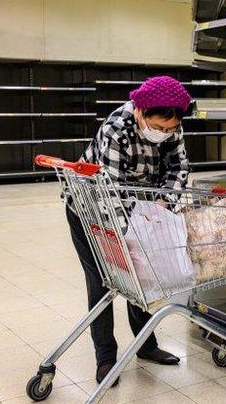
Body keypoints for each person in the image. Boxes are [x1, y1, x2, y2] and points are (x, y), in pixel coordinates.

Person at [66, 75, 191, 384]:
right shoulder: (116, 129)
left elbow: (180, 168)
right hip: (92, 210)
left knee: (144, 277)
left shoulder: (172, 126)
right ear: (140, 111)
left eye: (169, 129)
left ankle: (145, 345)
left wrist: (162, 204)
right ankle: (105, 358)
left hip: (144, 209)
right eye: (158, 127)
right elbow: (109, 193)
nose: (163, 134)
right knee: (104, 283)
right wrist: (129, 237)